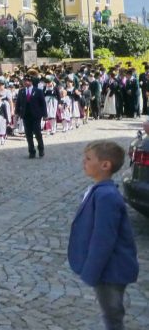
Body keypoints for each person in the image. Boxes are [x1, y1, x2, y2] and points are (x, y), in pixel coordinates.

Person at [68, 140, 138, 330]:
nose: (84, 162)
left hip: (111, 271)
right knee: (110, 313)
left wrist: (91, 272)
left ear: (105, 165)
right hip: (108, 269)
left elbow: (104, 239)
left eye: (88, 159)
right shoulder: (101, 190)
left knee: (112, 316)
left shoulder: (106, 196)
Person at [14, 70, 47, 159]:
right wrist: (17, 113)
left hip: (36, 115)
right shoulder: (21, 91)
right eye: (24, 81)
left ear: (31, 82)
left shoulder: (38, 91)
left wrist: (44, 114)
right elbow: (18, 103)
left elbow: (43, 103)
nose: (25, 82)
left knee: (37, 133)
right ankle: (31, 151)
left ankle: (41, 149)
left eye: (27, 81)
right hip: (26, 115)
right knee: (28, 135)